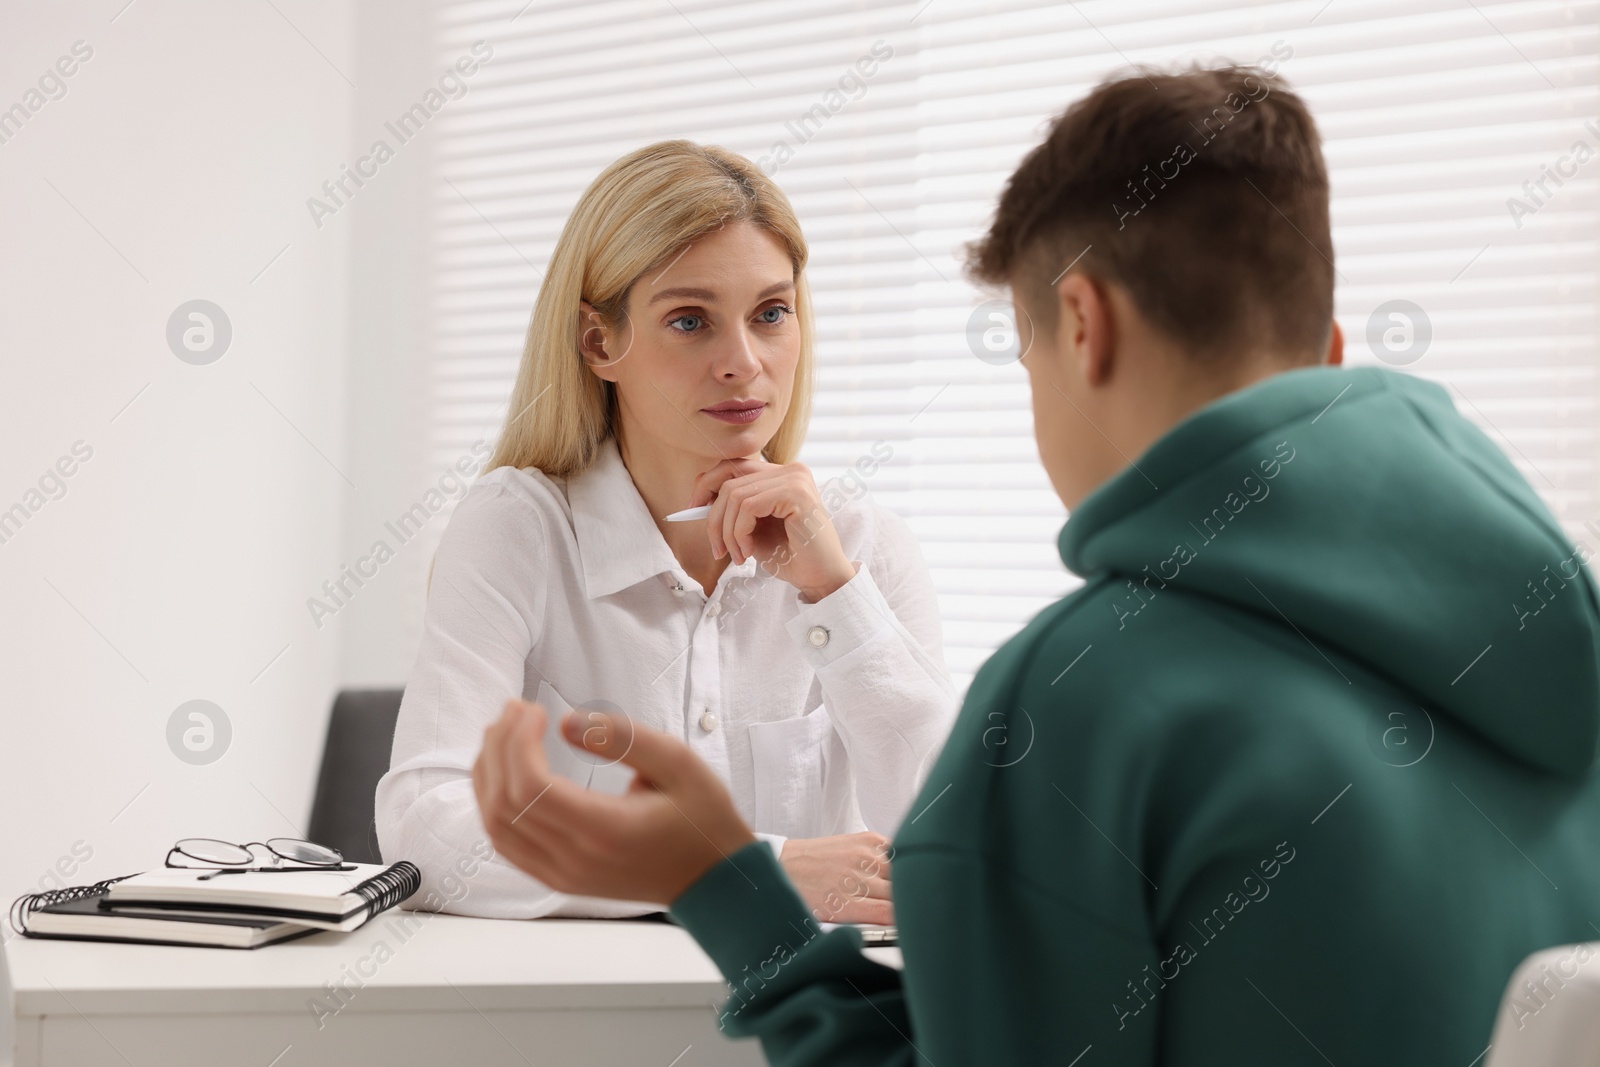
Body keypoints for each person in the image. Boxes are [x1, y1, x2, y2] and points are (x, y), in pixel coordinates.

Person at [470, 64, 1600, 1063]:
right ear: (1330, 353)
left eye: (1020, 353)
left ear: (1081, 324)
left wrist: (725, 881)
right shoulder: (1555, 641)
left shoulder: (1088, 703)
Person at [376, 140, 956, 922]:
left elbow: (963, 840)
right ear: (599, 342)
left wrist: (833, 596)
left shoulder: (862, 546)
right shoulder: (519, 528)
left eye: (771, 313)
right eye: (691, 320)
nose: (744, 362)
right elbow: (426, 826)